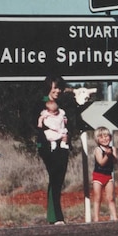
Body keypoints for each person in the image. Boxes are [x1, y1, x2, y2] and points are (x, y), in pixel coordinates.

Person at [37, 76, 81, 225]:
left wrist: (67, 137)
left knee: (58, 179)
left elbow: (70, 124)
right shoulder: (41, 104)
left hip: (63, 144)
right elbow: (37, 126)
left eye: (60, 88)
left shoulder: (63, 105)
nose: (58, 91)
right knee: (55, 176)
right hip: (48, 146)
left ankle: (53, 215)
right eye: (55, 87)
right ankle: (57, 216)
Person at [91, 127, 118, 222]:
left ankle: (115, 218)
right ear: (97, 139)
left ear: (110, 137)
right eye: (101, 137)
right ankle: (96, 218)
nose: (104, 139)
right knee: (98, 197)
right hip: (98, 176)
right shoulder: (98, 150)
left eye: (106, 136)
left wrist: (111, 154)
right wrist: (107, 155)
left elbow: (115, 161)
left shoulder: (113, 148)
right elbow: (101, 162)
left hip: (108, 176)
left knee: (110, 198)